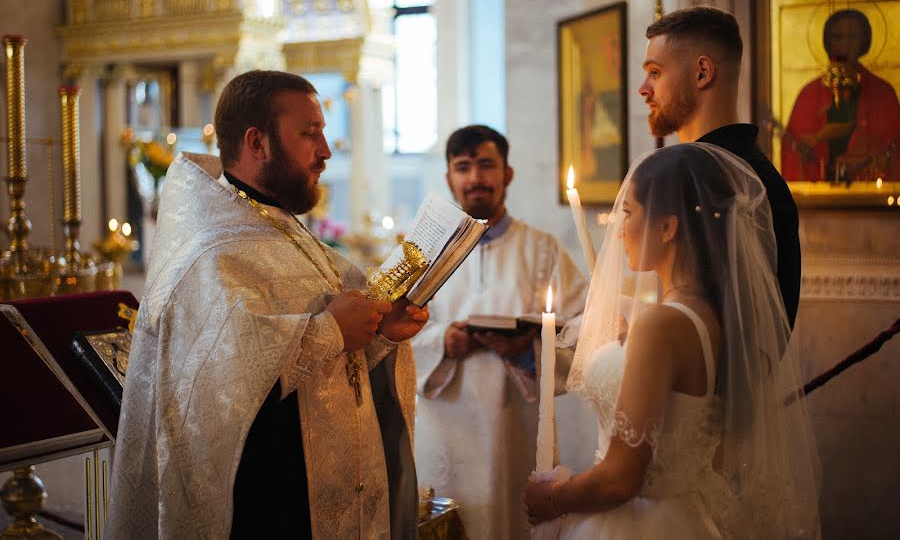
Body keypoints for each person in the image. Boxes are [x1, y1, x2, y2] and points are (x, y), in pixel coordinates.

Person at [107, 70, 427, 539]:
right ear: (257, 142)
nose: (325, 152)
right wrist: (331, 330)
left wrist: (380, 332)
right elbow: (216, 394)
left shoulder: (288, 233)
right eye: (309, 134)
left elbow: (334, 361)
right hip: (269, 509)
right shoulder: (209, 256)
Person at [524, 143, 821, 539]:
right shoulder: (708, 316)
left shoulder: (662, 326)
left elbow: (620, 479)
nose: (618, 227)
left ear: (668, 227)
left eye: (628, 212)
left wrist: (554, 499)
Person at [411, 125, 589, 540]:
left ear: (507, 174)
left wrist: (528, 350)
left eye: (487, 165)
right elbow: (392, 333)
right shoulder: (424, 251)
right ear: (449, 178)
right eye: (463, 167)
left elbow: (584, 331)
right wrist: (442, 341)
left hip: (517, 427)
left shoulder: (543, 251)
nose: (475, 177)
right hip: (446, 430)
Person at [637, 5, 801, 332]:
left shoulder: (707, 178)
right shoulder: (759, 173)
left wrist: (650, 347)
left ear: (702, 73)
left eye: (655, 73)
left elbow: (740, 334)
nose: (643, 88)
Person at [784, 8, 900, 182]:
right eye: (838, 37)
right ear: (827, 42)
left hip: (869, 195)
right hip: (819, 197)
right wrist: (817, 139)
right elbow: (793, 150)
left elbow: (893, 147)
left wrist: (868, 157)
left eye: (853, 37)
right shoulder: (809, 94)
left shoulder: (883, 92)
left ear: (864, 42)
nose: (845, 44)